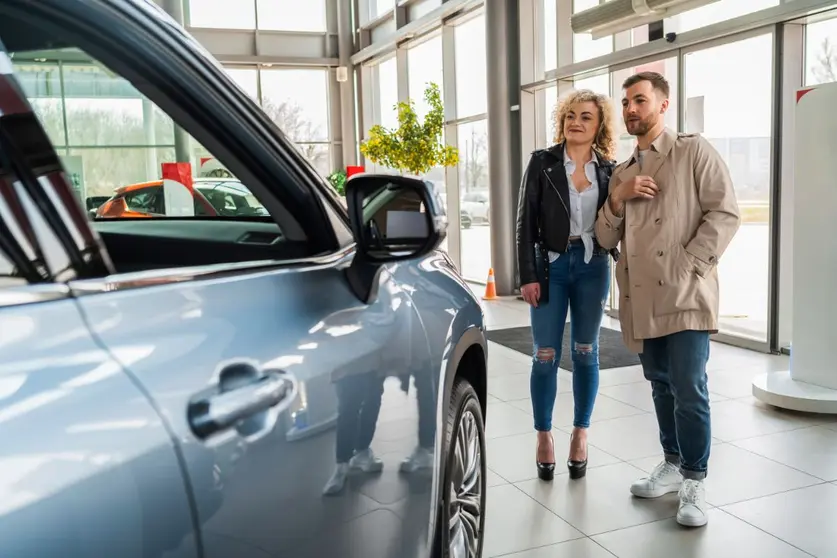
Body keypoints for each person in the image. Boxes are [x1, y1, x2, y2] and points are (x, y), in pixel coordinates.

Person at [595, 71, 740, 528]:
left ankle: (695, 478)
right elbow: (602, 236)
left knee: (689, 388)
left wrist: (690, 265)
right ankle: (673, 463)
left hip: (685, 292)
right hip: (641, 298)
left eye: (640, 100)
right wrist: (616, 199)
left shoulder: (693, 151)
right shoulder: (621, 172)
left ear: (663, 105)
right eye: (626, 102)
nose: (630, 109)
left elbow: (725, 212)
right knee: (660, 385)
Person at [516, 89, 619, 482]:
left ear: (599, 125)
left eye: (586, 117)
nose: (576, 122)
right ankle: (544, 435)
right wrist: (527, 275)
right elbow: (525, 222)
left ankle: (580, 432)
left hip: (593, 265)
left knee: (586, 351)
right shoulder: (542, 163)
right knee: (544, 353)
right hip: (550, 267)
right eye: (570, 115)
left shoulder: (608, 170)